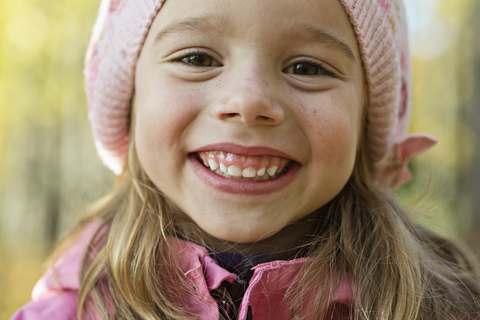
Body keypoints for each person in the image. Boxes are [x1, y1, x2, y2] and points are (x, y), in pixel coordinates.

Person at [10, 0, 480, 319]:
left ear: (366, 120)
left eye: (307, 67)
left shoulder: (442, 304)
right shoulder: (66, 309)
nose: (248, 101)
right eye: (196, 58)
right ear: (129, 101)